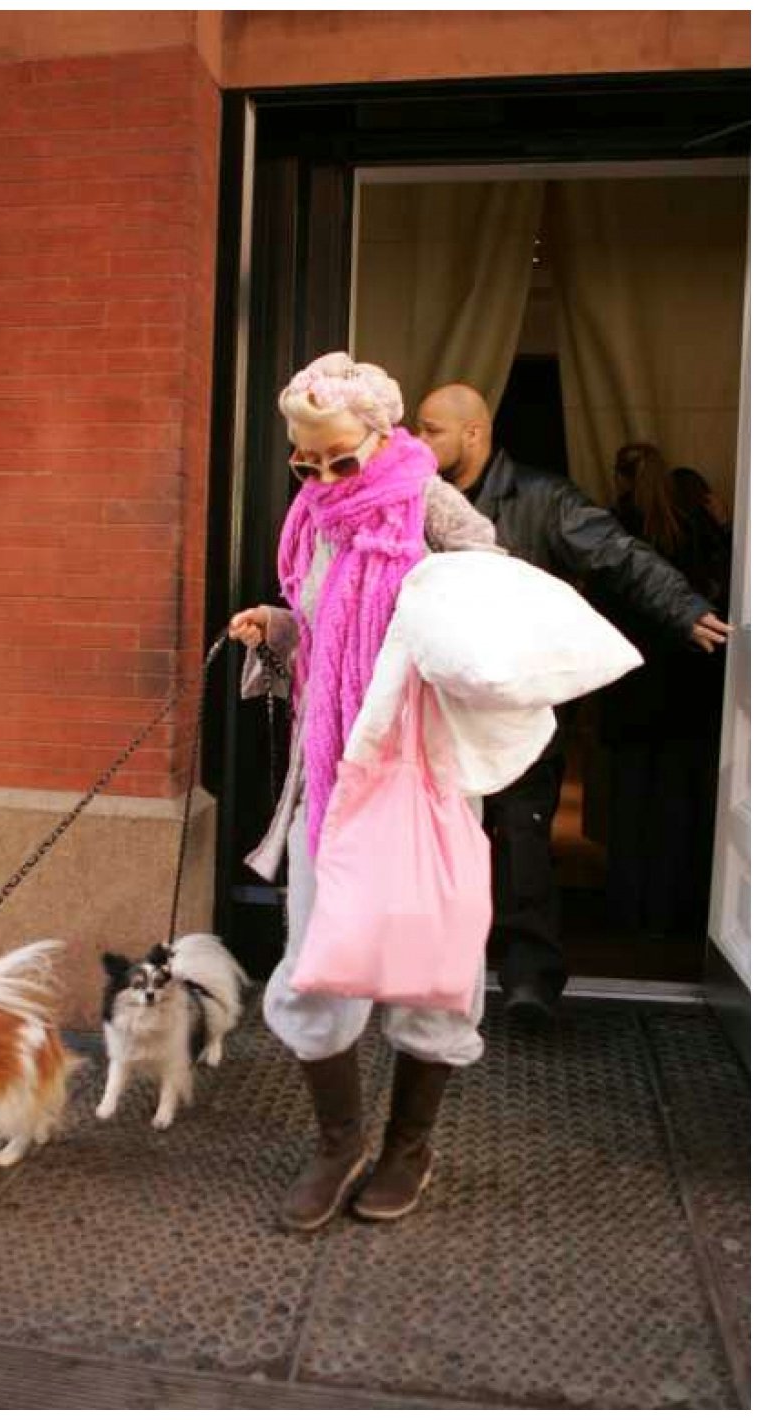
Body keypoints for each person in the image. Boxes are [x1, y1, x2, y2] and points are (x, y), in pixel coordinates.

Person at [229, 352, 505, 1231]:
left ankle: (409, 1147)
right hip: (332, 772)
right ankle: (337, 1141)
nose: (320, 478)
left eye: (339, 459)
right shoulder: (315, 517)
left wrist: (425, 644)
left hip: (423, 772)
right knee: (318, 958)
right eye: (304, 462)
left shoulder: (433, 506)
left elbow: (494, 613)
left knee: (431, 963)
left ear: (382, 438)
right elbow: (315, 627)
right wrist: (277, 629)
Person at [415, 384, 732, 1023]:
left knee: (523, 835)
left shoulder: (543, 497)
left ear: (474, 433)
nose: (419, 443)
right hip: (440, 702)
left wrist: (682, 607)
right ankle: (438, 975)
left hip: (521, 702)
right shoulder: (415, 500)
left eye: (430, 430)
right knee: (440, 841)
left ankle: (529, 981)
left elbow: (617, 553)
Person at [598, 444, 733, 936]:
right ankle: (672, 911)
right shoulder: (694, 531)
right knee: (677, 805)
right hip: (686, 691)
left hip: (631, 686)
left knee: (629, 804)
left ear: (620, 478)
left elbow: (600, 608)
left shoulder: (610, 532)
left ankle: (626, 911)